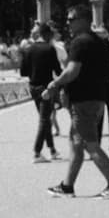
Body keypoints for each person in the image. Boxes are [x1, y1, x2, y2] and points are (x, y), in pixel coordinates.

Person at [42, 4, 109, 199]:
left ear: (83, 20)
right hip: (96, 98)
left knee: (90, 144)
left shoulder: (80, 42)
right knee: (76, 143)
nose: (68, 23)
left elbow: (72, 71)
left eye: (71, 19)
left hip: (83, 100)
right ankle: (67, 186)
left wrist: (55, 84)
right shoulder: (99, 41)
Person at [21, 23, 63, 163]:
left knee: (45, 118)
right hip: (46, 87)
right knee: (45, 119)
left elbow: (23, 72)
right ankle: (37, 152)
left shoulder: (28, 49)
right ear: (46, 34)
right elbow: (57, 70)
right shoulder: (49, 49)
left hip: (33, 86)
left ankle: (52, 149)